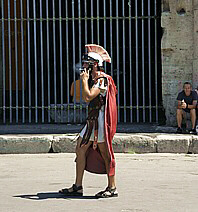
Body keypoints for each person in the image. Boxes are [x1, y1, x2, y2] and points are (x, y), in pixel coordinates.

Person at [59, 44, 118, 198]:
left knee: (105, 153)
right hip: (92, 121)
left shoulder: (102, 80)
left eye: (87, 64)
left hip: (100, 123)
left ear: (94, 65)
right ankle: (78, 186)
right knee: (80, 148)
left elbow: (87, 96)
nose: (84, 66)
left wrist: (84, 81)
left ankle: (112, 187)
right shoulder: (96, 79)